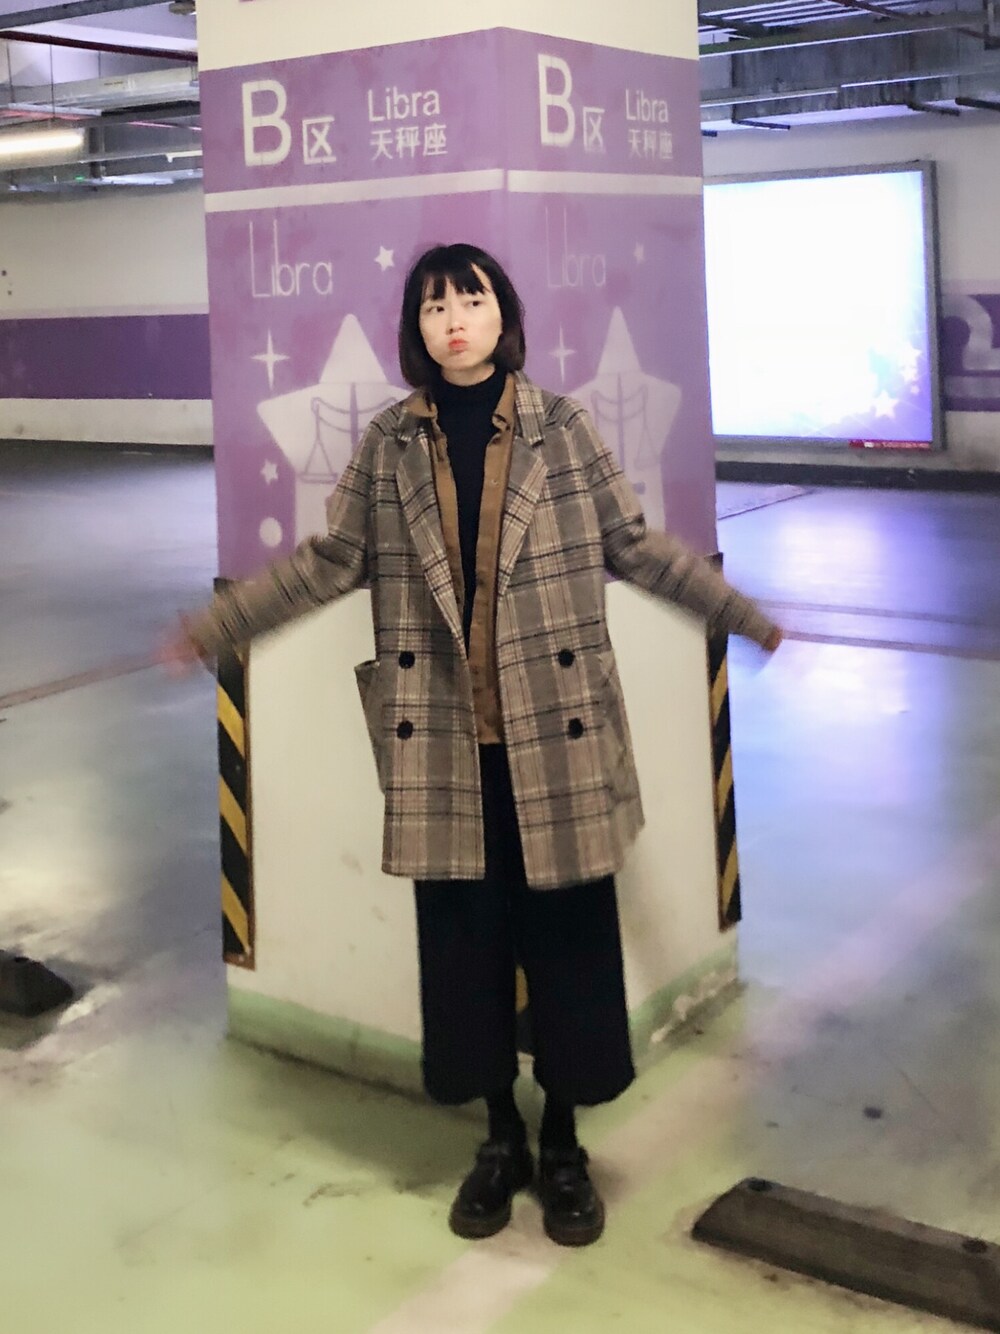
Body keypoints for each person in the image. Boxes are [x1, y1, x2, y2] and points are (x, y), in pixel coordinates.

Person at [161, 242, 782, 1248]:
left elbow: (634, 547)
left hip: (556, 733)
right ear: (417, 327)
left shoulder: (561, 428)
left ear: (503, 316)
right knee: (463, 950)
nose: (453, 319)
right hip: (444, 742)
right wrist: (216, 627)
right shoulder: (389, 443)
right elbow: (331, 561)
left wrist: (740, 613)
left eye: (471, 299)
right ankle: (500, 1139)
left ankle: (565, 1143)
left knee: (571, 942)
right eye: (434, 305)